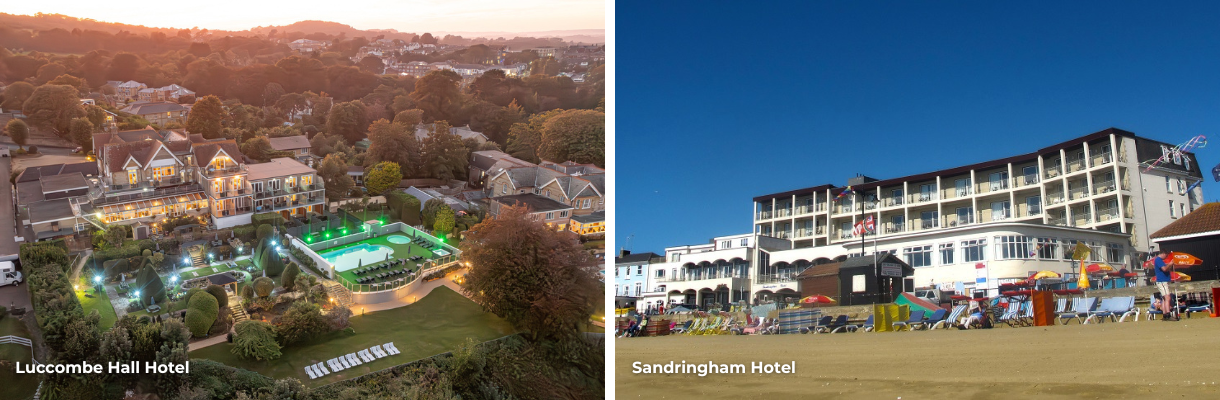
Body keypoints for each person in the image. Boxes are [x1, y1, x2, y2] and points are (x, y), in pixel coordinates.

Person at [1153, 249, 1177, 321]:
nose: (1166, 257)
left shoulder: (1159, 260)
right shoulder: (1158, 260)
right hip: (1162, 281)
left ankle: (1165, 314)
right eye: (1166, 256)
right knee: (1167, 297)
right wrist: (1170, 264)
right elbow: (1164, 269)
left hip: (1163, 281)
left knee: (1164, 299)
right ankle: (1168, 314)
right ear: (1163, 253)